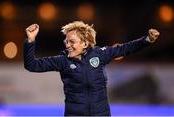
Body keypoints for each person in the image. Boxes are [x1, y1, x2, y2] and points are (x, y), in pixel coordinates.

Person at [23, 21, 160, 116]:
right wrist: (30, 41)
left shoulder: (99, 54)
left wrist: (147, 40)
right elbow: (32, 65)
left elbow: (125, 49)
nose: (67, 45)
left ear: (85, 43)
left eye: (72, 42)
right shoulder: (62, 61)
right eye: (66, 41)